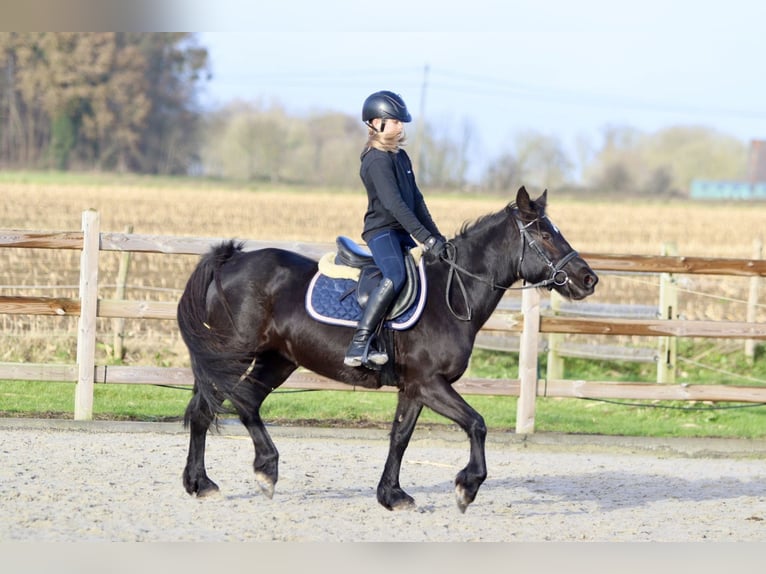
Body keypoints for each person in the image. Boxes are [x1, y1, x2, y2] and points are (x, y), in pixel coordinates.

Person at [344, 90, 447, 368]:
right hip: (382, 231)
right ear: (376, 123)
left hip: (401, 230)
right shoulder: (376, 160)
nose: (401, 126)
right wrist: (424, 238)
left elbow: (416, 201)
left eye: (402, 121)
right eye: (396, 121)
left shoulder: (400, 158)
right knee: (396, 274)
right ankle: (361, 340)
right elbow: (394, 205)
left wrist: (437, 237)